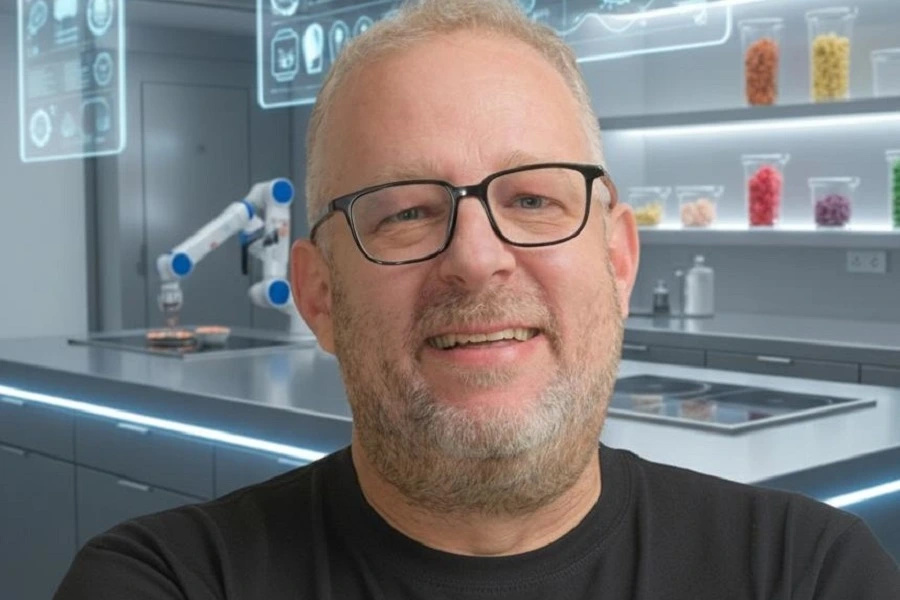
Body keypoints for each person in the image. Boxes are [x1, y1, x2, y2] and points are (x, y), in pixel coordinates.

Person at [55, 1, 899, 598]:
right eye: (407, 212)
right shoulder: (168, 580)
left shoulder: (806, 572)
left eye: (533, 199)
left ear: (617, 257)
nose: (478, 258)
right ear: (317, 294)